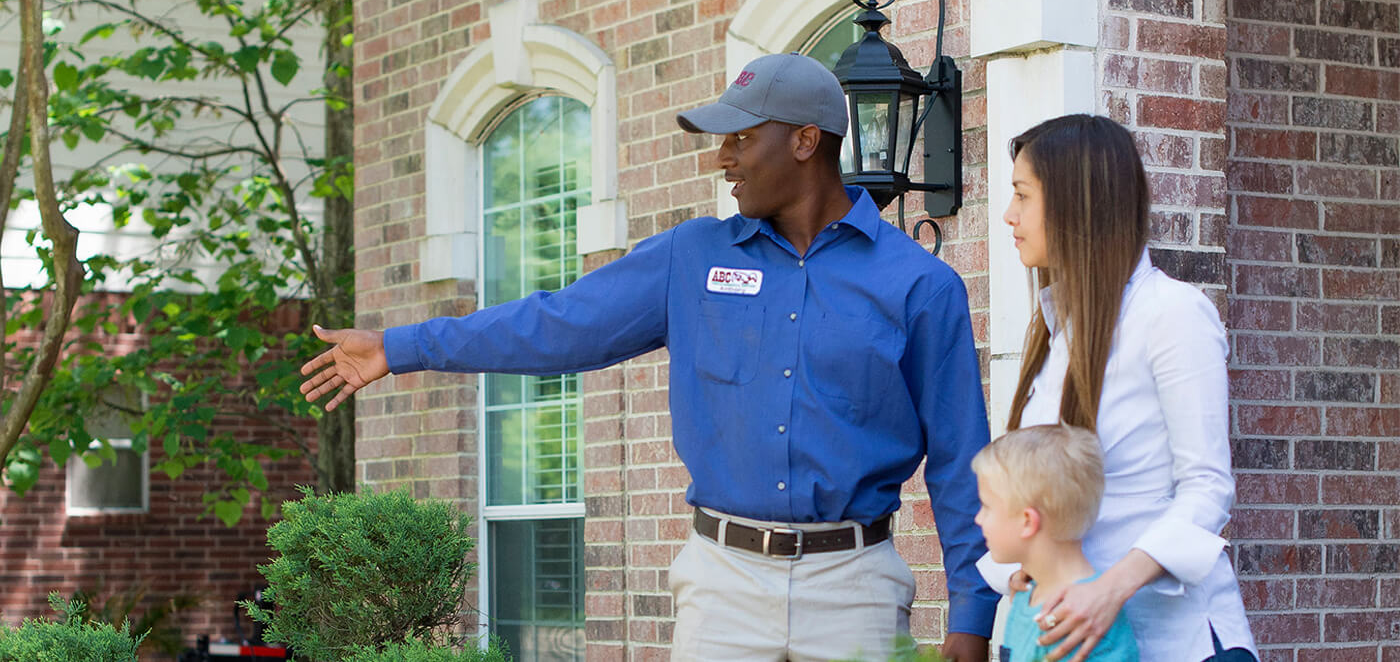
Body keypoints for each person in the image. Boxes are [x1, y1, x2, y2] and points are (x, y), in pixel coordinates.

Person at [299, 53, 998, 661]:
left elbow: (961, 457)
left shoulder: (918, 284)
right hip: (723, 584)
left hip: (856, 587)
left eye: (741, 139)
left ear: (806, 141)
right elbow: (558, 325)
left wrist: (972, 611)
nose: (723, 158)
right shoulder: (690, 259)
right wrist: (400, 346)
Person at [982, 114, 1257, 662]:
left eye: (1022, 195)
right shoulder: (1056, 328)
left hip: (1174, 640)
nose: (1009, 216)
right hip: (1069, 640)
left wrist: (1110, 589)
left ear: (1075, 203)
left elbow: (1207, 487)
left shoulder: (1172, 314)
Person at [970, 423, 1138, 662]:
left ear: (1027, 521)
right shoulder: (1026, 596)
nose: (978, 518)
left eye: (986, 506)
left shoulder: (1087, 620)